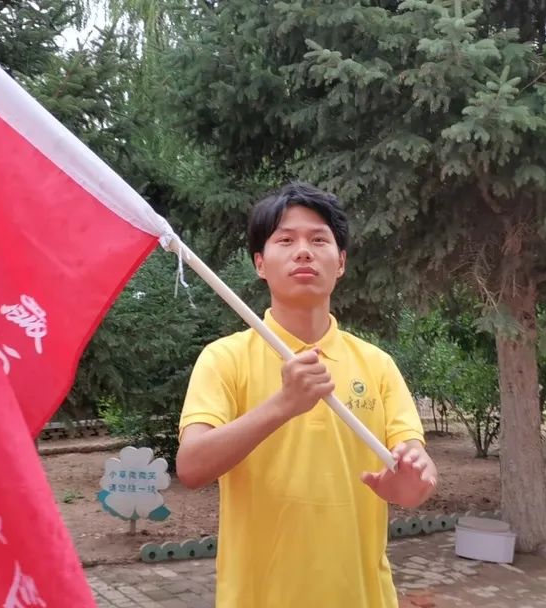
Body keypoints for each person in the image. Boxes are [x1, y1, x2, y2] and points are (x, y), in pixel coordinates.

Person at [175, 182, 438, 608]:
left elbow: (414, 483)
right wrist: (283, 405)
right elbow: (191, 466)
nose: (303, 251)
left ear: (341, 263)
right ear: (260, 263)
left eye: (318, 240)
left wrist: (411, 483)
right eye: (285, 240)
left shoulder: (377, 365)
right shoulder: (224, 359)